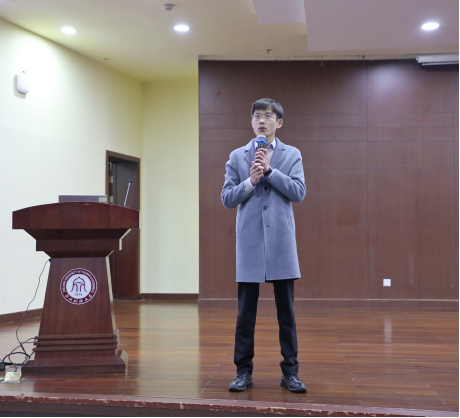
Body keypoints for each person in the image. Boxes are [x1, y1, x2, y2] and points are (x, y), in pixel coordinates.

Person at [221, 98, 307, 393]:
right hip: (251, 242)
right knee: (245, 315)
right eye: (257, 116)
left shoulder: (291, 154)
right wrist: (250, 181)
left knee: (287, 315)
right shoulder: (238, 156)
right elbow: (227, 198)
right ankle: (243, 371)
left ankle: (290, 373)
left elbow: (298, 192)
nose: (261, 120)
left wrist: (270, 172)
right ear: (251, 122)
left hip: (281, 242)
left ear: (278, 122)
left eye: (268, 116)